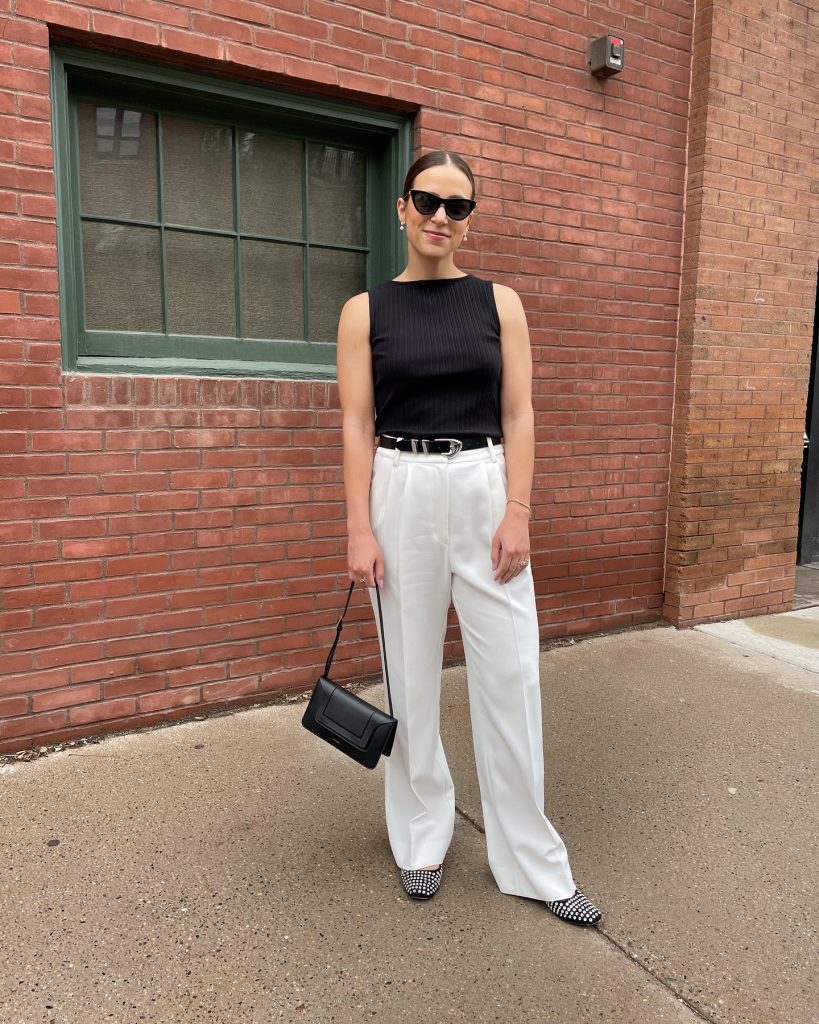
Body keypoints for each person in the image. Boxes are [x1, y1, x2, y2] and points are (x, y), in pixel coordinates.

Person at [336, 150, 601, 927]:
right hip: (401, 488)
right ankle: (422, 837)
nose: (440, 219)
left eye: (457, 207)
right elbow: (356, 423)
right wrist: (359, 525)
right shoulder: (366, 312)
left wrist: (517, 507)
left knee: (512, 676)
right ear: (401, 207)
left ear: (470, 218)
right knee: (409, 679)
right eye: (426, 201)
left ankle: (530, 858)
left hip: (483, 484)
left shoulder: (499, 303)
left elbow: (518, 413)